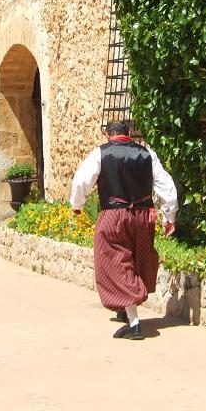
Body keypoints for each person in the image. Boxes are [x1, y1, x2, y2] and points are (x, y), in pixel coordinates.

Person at [70, 121, 178, 340]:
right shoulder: (147, 154)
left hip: (114, 216)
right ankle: (125, 311)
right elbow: (166, 186)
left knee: (114, 260)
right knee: (137, 259)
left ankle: (135, 324)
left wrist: (77, 205)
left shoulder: (101, 153)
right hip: (143, 216)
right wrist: (169, 216)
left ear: (109, 135)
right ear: (128, 134)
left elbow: (81, 181)